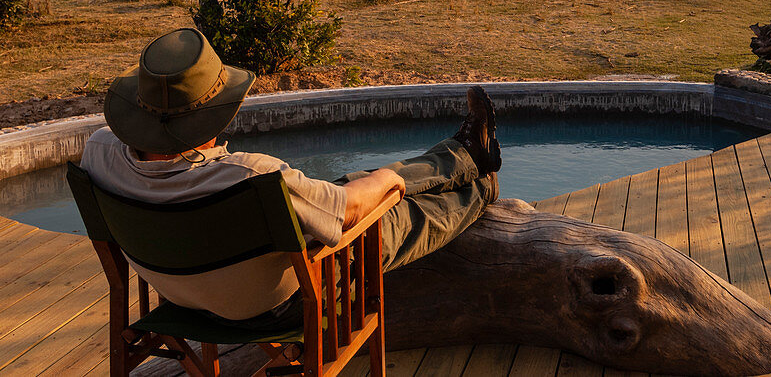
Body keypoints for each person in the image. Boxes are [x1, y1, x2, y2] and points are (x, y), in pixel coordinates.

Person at [80, 27, 502, 330]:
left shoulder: (98, 152)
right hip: (283, 303)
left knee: (347, 183)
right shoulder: (248, 176)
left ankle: (464, 151)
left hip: (178, 296)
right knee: (392, 212)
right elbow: (350, 212)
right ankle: (481, 186)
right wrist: (390, 179)